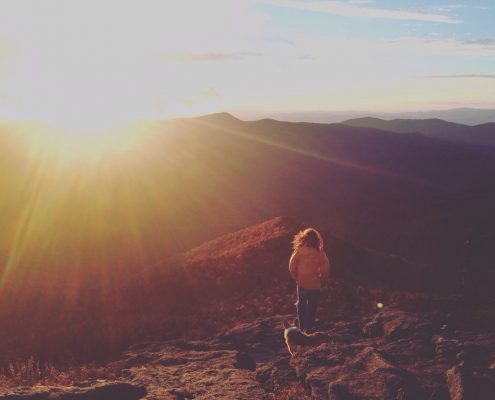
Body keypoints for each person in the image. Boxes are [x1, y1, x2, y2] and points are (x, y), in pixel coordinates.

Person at [289, 228, 330, 332]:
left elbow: (292, 265)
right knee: (312, 307)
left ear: (304, 238)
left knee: (301, 305)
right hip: (314, 284)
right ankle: (309, 328)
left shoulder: (299, 250)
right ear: (317, 240)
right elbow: (325, 268)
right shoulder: (320, 253)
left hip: (301, 283)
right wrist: (322, 279)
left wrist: (296, 276)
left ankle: (301, 327)